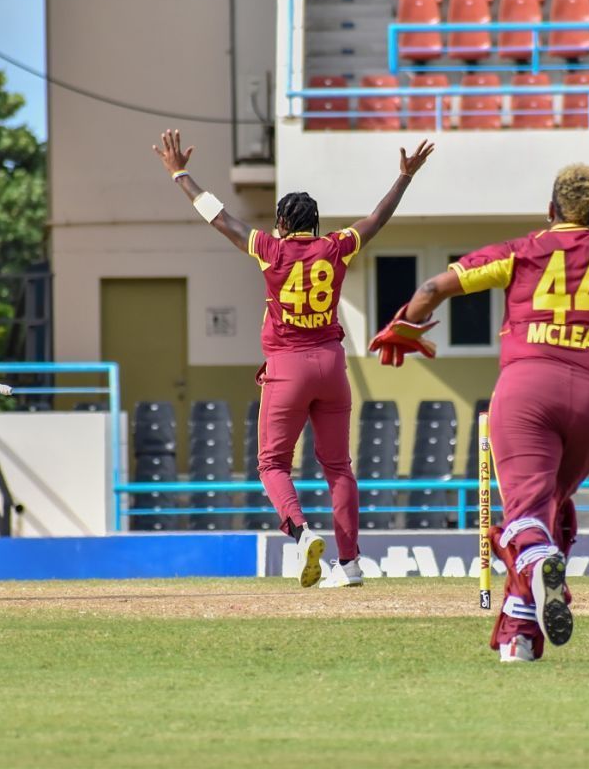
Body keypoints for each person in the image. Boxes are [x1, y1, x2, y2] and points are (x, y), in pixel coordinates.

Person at [370, 40, 589, 662]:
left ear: (550, 209)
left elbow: (433, 286)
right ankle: (519, 638)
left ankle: (539, 568)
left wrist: (406, 323)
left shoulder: (522, 250)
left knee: (527, 524)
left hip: (527, 391)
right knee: (551, 513)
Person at [152, 129, 433, 588]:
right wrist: (403, 178)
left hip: (288, 367)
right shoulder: (336, 246)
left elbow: (219, 218)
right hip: (332, 363)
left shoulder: (271, 249)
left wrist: (181, 174)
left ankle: (301, 535)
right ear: (316, 224)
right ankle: (351, 565)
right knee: (338, 466)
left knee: (272, 465)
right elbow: (377, 218)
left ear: (282, 224)